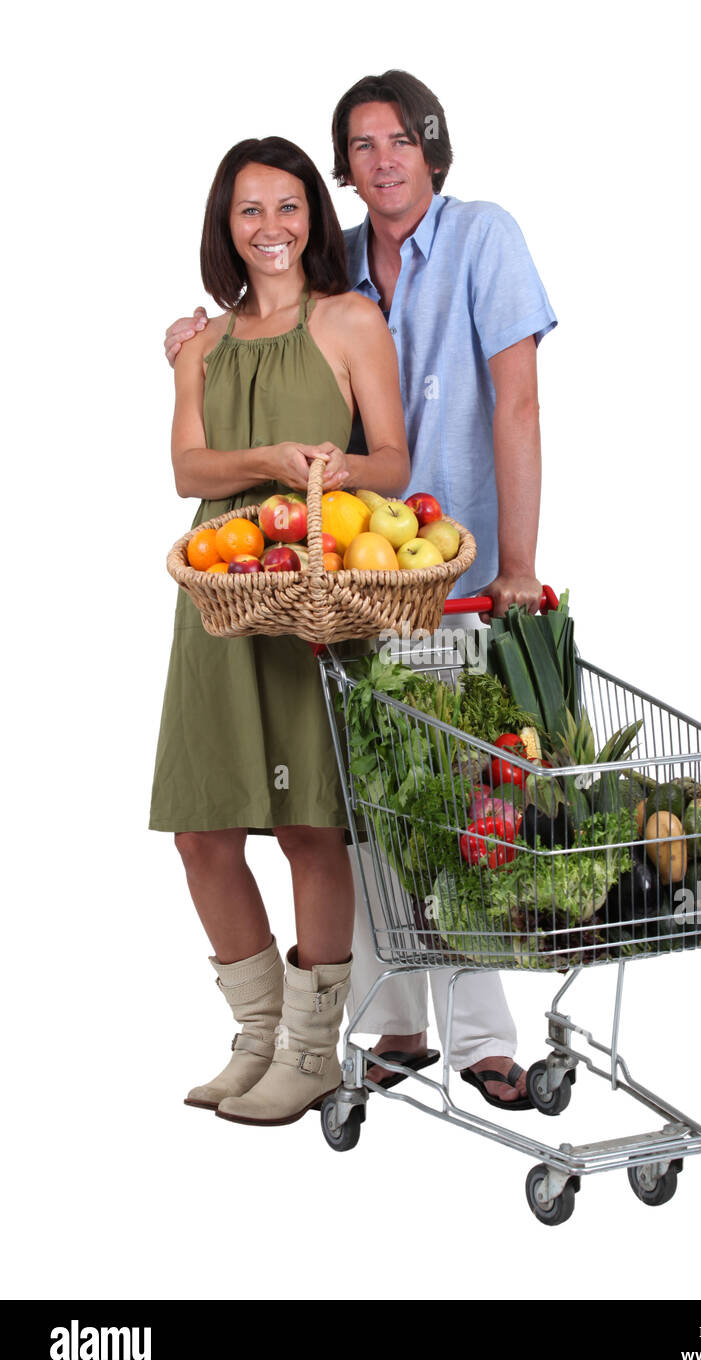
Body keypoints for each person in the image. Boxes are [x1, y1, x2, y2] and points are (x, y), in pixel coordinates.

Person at [164, 70, 557, 1109]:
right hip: (342, 586)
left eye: (399, 140)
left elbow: (514, 406)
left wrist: (514, 562)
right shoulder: (335, 264)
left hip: (451, 575)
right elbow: (266, 289)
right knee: (376, 800)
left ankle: (480, 1036)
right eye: (362, 145)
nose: (382, 160)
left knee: (471, 801)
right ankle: (389, 1024)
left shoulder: (482, 238)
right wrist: (191, 349)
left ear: (432, 146)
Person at [150, 135, 410, 1126]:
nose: (271, 228)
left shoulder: (349, 322)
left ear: (313, 218)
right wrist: (262, 453)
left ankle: (309, 1050)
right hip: (219, 590)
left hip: (315, 586)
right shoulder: (201, 347)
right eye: (250, 210)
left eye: (289, 207)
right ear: (226, 224)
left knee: (309, 826)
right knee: (202, 830)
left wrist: (338, 472)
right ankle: (255, 1036)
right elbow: (187, 471)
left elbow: (389, 458)